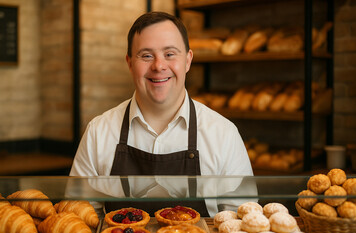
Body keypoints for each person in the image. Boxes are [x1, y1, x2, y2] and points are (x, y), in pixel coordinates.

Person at [69, 11, 254, 217]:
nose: (158, 66)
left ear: (187, 60)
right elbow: (81, 218)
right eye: (146, 55)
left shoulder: (224, 134)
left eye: (170, 54)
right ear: (130, 63)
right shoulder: (98, 132)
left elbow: (241, 223)